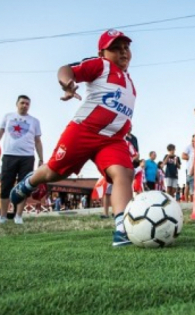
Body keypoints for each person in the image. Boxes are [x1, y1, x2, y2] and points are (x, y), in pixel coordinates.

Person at [8, 29, 136, 247]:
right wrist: (67, 82)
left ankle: (123, 229)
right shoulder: (100, 65)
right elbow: (66, 69)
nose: (123, 52)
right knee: (55, 172)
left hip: (113, 139)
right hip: (83, 131)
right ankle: (29, 182)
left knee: (124, 173)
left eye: (126, 47)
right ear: (102, 52)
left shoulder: (130, 82)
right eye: (115, 48)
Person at [0, 95, 43, 225]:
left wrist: (41, 158)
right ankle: (3, 216)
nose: (25, 105)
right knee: (6, 185)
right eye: (22, 103)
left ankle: (18, 216)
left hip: (27, 157)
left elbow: (37, 141)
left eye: (27, 104)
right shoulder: (8, 117)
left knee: (24, 186)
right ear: (17, 104)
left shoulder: (34, 121)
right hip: (9, 155)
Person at [182, 135, 195, 202]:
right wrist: (190, 158)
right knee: (188, 184)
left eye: (194, 141)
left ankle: (192, 201)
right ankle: (186, 201)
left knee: (194, 186)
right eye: (192, 141)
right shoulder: (188, 147)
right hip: (189, 168)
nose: (193, 142)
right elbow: (183, 156)